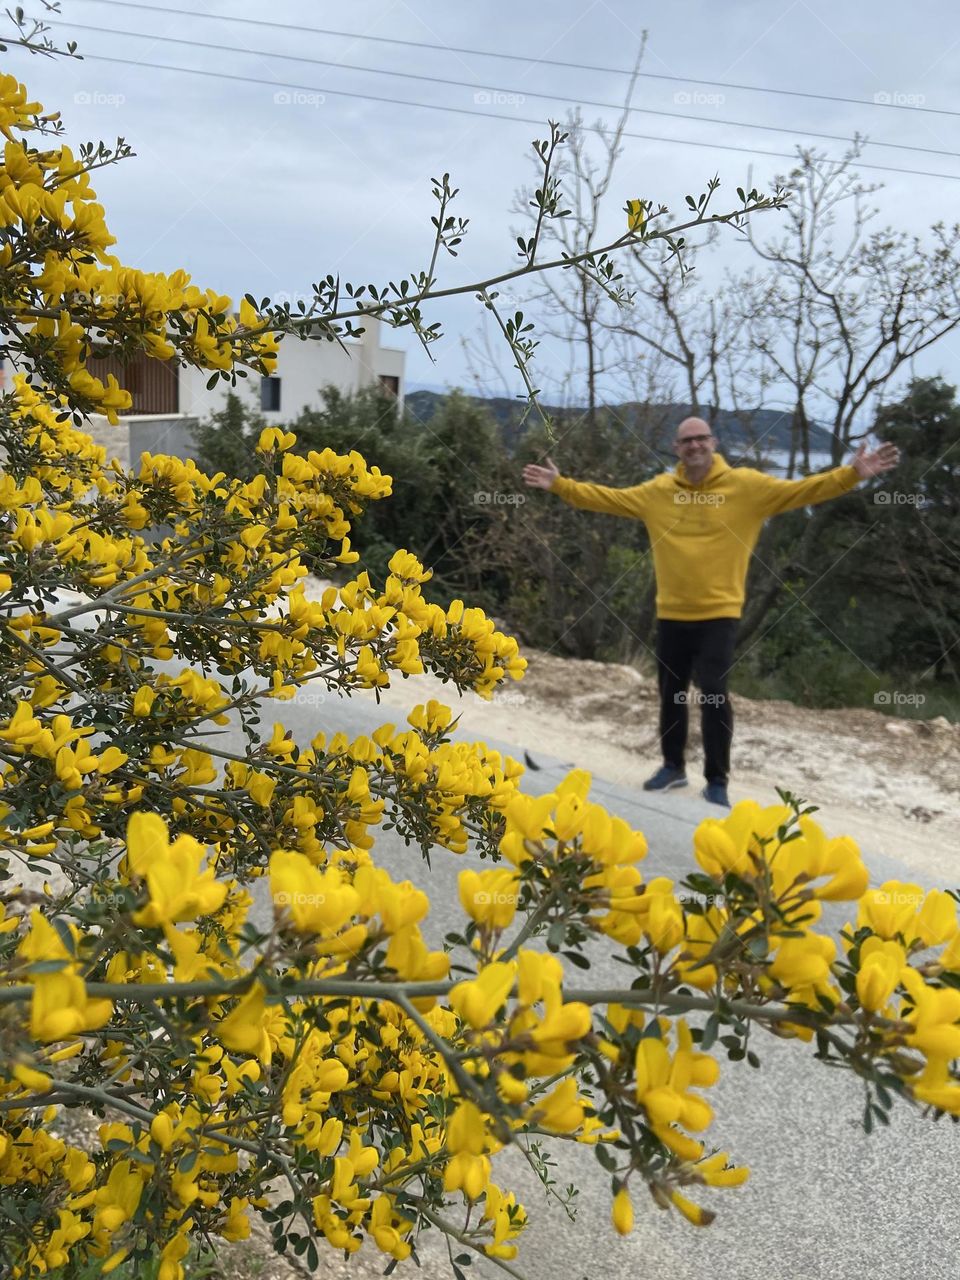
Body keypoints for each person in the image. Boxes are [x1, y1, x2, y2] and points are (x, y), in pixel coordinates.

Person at [522, 417, 900, 808]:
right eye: (687, 440)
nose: (695, 445)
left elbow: (804, 490)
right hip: (671, 613)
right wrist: (559, 485)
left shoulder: (748, 488)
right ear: (677, 447)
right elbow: (606, 498)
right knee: (671, 693)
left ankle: (717, 779)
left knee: (715, 694)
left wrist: (852, 474)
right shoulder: (658, 492)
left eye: (701, 438)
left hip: (719, 613)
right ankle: (672, 767)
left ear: (713, 443)